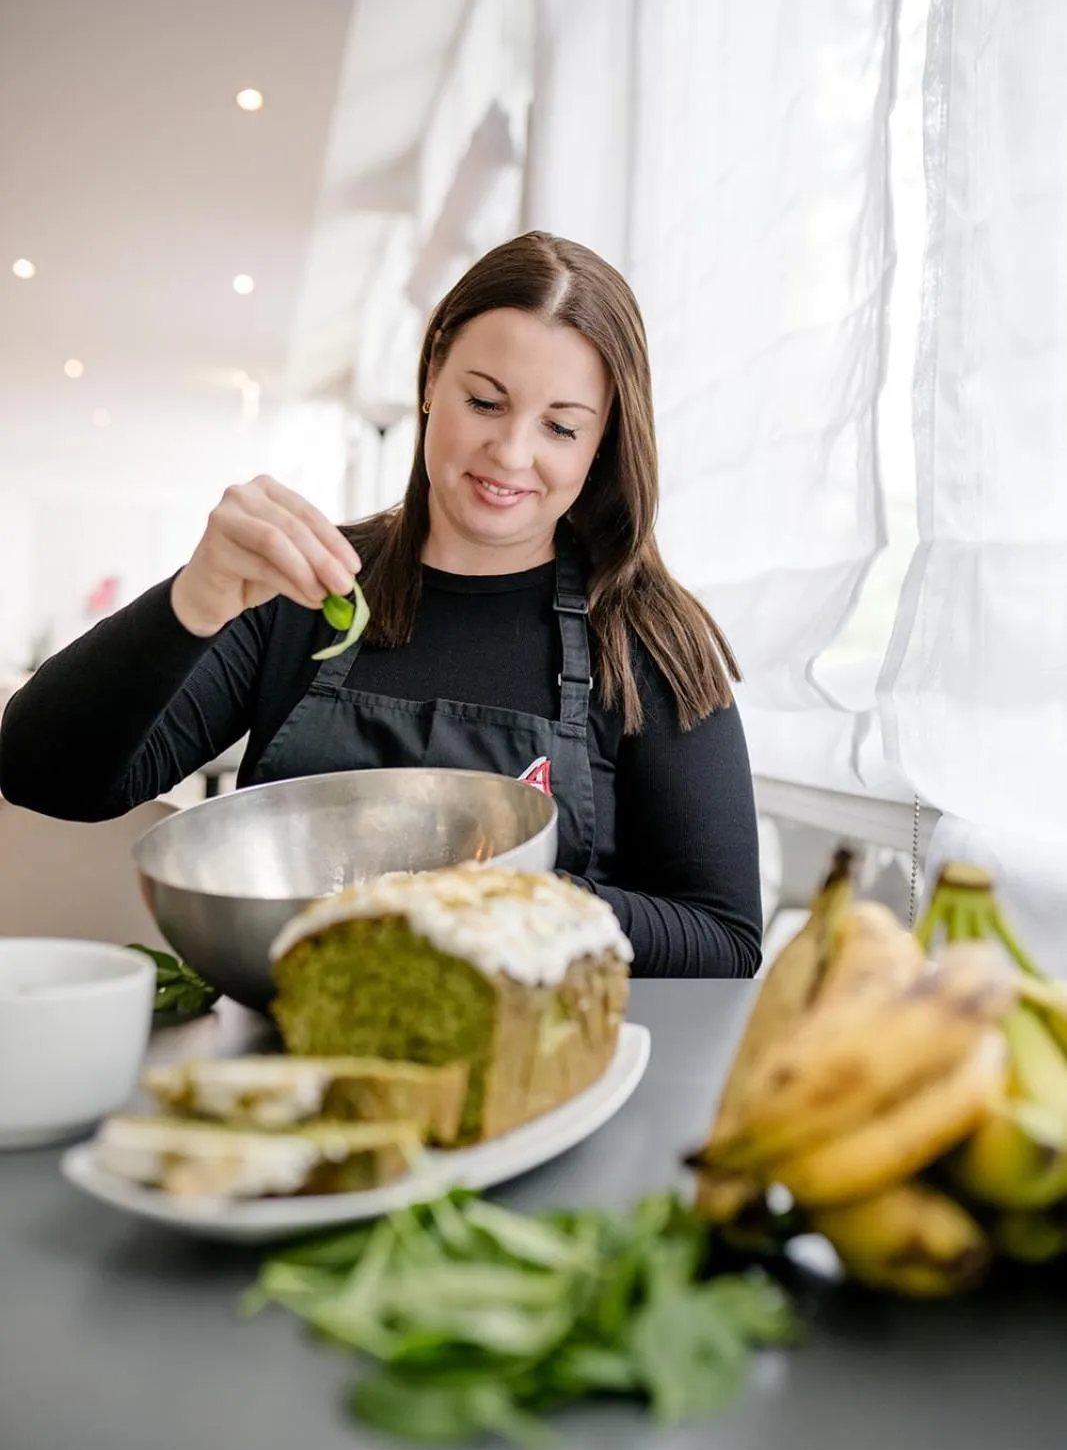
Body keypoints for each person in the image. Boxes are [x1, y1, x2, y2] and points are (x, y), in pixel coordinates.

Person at [0, 231, 762, 978]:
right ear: (431, 377)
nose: (511, 453)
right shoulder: (302, 588)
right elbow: (40, 775)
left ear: (603, 443)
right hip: (287, 1064)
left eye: (560, 426)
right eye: (485, 402)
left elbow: (724, 939)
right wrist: (190, 603)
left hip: (528, 1079)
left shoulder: (648, 637)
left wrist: (500, 899)